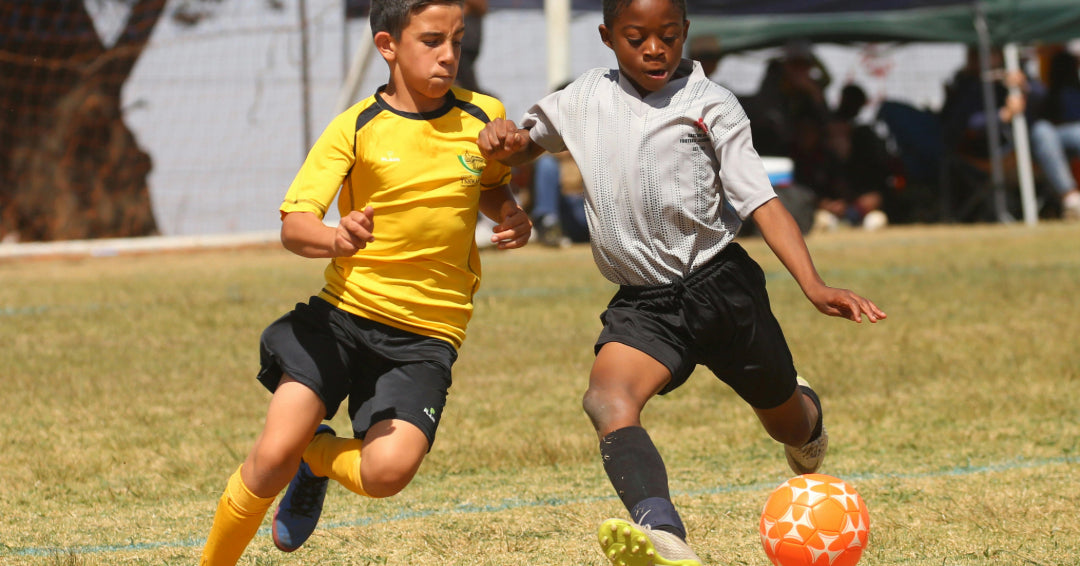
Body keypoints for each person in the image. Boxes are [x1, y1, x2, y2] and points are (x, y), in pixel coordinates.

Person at [477, 0, 887, 563]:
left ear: (685, 34)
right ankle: (664, 534)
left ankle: (805, 411)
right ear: (606, 36)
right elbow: (521, 145)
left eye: (668, 36)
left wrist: (814, 286)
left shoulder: (712, 105)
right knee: (606, 398)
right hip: (645, 303)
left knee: (787, 422)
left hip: (721, 290)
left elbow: (762, 203)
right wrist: (501, 140)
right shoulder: (582, 99)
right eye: (637, 37)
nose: (654, 49)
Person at [198, 1, 532, 564]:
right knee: (272, 455)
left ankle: (320, 457)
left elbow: (489, 184)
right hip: (343, 316)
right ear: (388, 46)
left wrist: (511, 212)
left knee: (386, 474)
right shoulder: (355, 127)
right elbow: (295, 224)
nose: (449, 55)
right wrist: (335, 238)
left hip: (427, 336)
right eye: (431, 41)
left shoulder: (484, 116)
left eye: (457, 40)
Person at [1027, 48, 1080, 220]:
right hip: (1037, 142)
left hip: (1069, 136)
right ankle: (1071, 199)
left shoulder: (1072, 89)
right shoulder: (1039, 89)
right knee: (1043, 131)